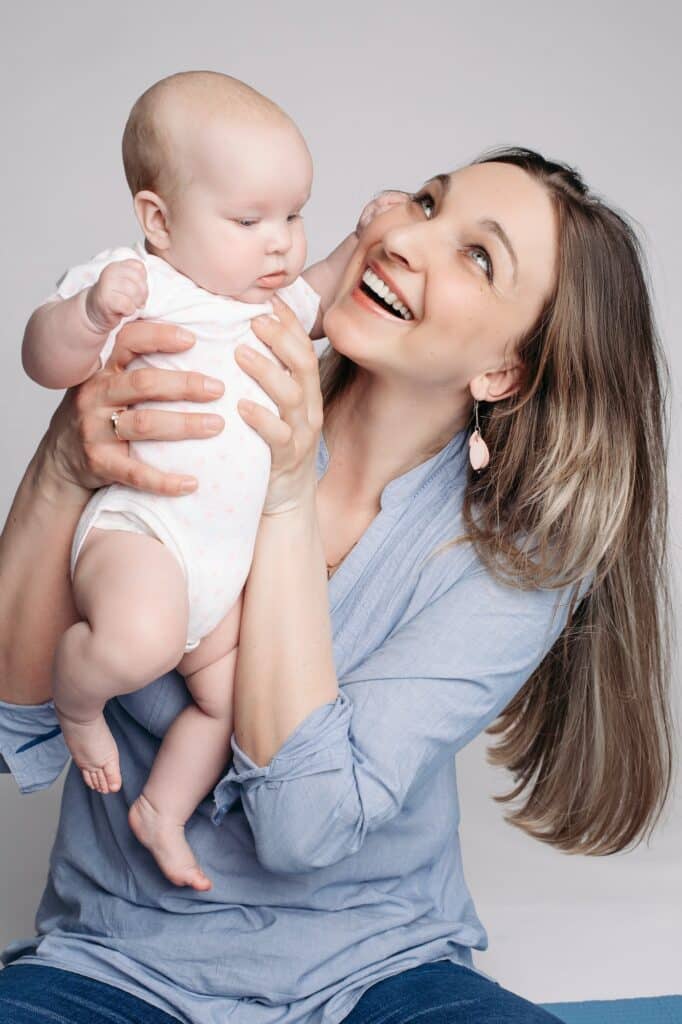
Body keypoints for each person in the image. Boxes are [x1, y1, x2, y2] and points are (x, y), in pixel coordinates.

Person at [0, 147, 672, 1024]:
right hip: (112, 963)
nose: (409, 241)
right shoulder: (199, 396)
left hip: (382, 974)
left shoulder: (522, 564)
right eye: (428, 204)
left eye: (479, 256)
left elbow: (303, 830)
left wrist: (283, 497)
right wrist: (61, 462)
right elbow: (18, 710)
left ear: (502, 371)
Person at [19, 70, 375, 892]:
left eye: (293, 214)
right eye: (250, 219)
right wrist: (90, 318)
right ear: (159, 220)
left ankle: (163, 812)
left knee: (229, 708)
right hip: (146, 535)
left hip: (225, 574)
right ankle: (75, 705)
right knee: (140, 640)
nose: (280, 241)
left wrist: (358, 242)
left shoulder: (269, 303)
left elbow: (320, 287)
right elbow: (44, 358)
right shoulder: (145, 286)